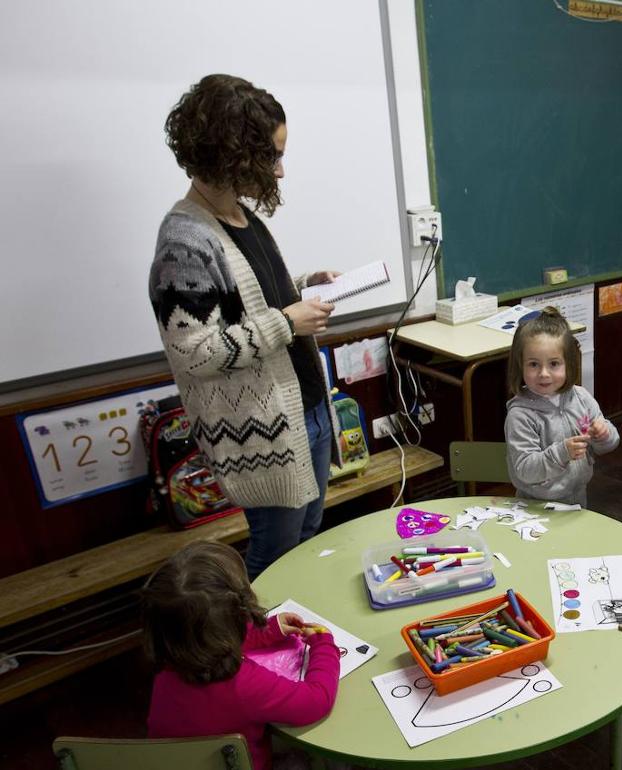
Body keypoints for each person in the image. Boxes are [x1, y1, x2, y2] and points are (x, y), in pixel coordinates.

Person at [149, 74, 342, 579]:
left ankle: (300, 638)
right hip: (263, 434)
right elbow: (193, 350)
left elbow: (246, 298)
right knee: (277, 557)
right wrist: (285, 322)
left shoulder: (239, 216)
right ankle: (266, 647)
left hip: (307, 412)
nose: (279, 171)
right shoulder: (185, 239)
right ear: (231, 155)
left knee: (305, 541)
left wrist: (302, 285)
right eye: (270, 157)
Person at [142, 542, 340, 770]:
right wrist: (323, 644)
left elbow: (203, 639)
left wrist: (269, 630)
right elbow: (317, 700)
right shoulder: (245, 685)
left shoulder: (168, 667)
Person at [504, 308, 619, 507]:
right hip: (535, 507)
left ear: (569, 363)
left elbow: (609, 444)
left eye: (554, 363)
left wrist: (604, 434)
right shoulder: (520, 415)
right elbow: (525, 469)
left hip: (578, 498)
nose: (544, 374)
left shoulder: (581, 398)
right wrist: (562, 452)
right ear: (520, 365)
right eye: (533, 364)